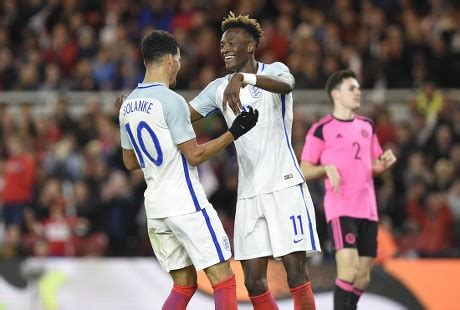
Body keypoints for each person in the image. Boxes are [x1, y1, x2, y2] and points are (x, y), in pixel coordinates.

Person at [118, 29, 258, 309]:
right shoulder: (171, 100)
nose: (180, 67)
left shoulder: (127, 105)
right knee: (224, 279)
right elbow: (194, 155)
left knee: (183, 284)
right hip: (185, 203)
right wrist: (234, 132)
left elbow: (130, 162)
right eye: (179, 60)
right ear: (170, 59)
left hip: (156, 209)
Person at [189, 12, 320, 309]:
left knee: (296, 274)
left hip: (284, 186)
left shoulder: (275, 69)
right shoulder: (217, 88)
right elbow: (183, 116)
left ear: (250, 46)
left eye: (232, 42)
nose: (224, 48)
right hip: (249, 193)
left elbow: (287, 85)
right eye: (222, 44)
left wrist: (244, 78)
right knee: (253, 281)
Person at [300, 69, 397, 310]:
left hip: (368, 208)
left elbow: (371, 164)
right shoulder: (321, 129)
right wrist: (325, 168)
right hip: (341, 207)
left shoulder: (367, 126)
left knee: (363, 276)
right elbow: (304, 168)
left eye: (358, 88)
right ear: (336, 94)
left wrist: (383, 163)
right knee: (349, 269)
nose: (358, 92)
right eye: (351, 88)